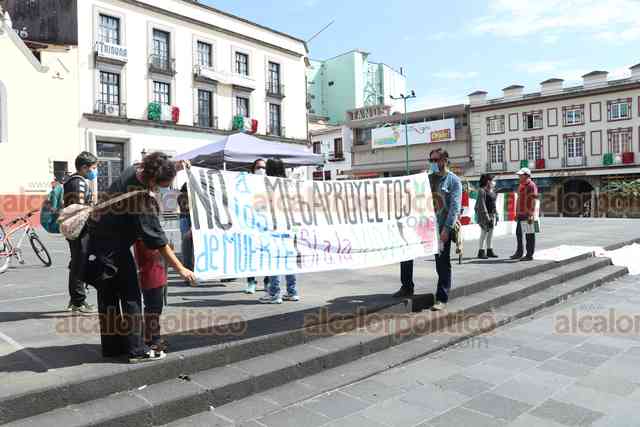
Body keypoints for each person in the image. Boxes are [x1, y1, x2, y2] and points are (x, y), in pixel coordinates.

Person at [87, 152, 196, 363]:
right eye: (162, 185)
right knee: (131, 297)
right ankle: (138, 350)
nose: (161, 190)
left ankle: (112, 347)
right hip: (113, 249)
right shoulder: (140, 200)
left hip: (96, 244)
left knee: (108, 296)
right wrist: (181, 268)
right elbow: (157, 240)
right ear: (153, 180)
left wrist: (177, 166)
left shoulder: (135, 169)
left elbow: (158, 166)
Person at [393, 149, 461, 312]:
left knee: (442, 264)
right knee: (407, 254)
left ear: (444, 160)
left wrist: (447, 229)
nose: (432, 163)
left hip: (440, 228)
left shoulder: (453, 181)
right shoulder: (427, 179)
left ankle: (442, 298)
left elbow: (454, 208)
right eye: (430, 160)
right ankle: (407, 286)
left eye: (435, 160)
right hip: (422, 226)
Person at [259, 159, 299, 304]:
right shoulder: (289, 184)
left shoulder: (267, 184)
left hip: (273, 226)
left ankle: (275, 294)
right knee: (288, 258)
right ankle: (292, 291)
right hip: (289, 226)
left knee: (273, 260)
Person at [63, 151, 98, 313]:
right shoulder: (79, 183)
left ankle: (77, 299)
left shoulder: (74, 181)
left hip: (75, 228)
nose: (95, 171)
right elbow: (80, 210)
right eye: (93, 167)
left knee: (78, 261)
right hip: (79, 229)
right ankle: (78, 301)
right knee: (79, 263)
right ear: (84, 167)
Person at [134, 239, 168, 355]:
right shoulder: (145, 230)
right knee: (153, 307)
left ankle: (151, 336)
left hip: (154, 270)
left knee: (154, 307)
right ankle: (154, 339)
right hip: (151, 272)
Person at [245, 158, 270, 294]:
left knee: (266, 254)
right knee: (251, 254)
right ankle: (251, 282)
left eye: (264, 168)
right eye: (259, 167)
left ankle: (268, 281)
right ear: (253, 169)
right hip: (251, 224)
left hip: (266, 225)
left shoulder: (270, 183)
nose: (261, 170)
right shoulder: (247, 184)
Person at [511, 167, 539, 261]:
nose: (519, 176)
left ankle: (529, 255)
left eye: (520, 175)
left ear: (526, 175)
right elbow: (518, 200)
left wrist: (531, 213)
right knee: (518, 233)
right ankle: (519, 252)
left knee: (529, 235)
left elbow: (534, 200)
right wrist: (516, 213)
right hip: (520, 214)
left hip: (528, 214)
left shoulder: (531, 185)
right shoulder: (521, 185)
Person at [475, 173, 498, 259]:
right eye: (492, 180)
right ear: (488, 181)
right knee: (484, 233)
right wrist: (487, 218)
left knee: (491, 234)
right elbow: (482, 205)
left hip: (492, 215)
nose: (494, 182)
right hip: (485, 215)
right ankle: (481, 251)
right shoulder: (482, 191)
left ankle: (489, 250)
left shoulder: (491, 191)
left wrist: (496, 214)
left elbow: (493, 204)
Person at [177, 183, 195, 286]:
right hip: (186, 219)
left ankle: (192, 272)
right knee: (187, 247)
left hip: (190, 220)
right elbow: (186, 207)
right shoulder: (182, 196)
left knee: (193, 249)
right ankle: (188, 273)